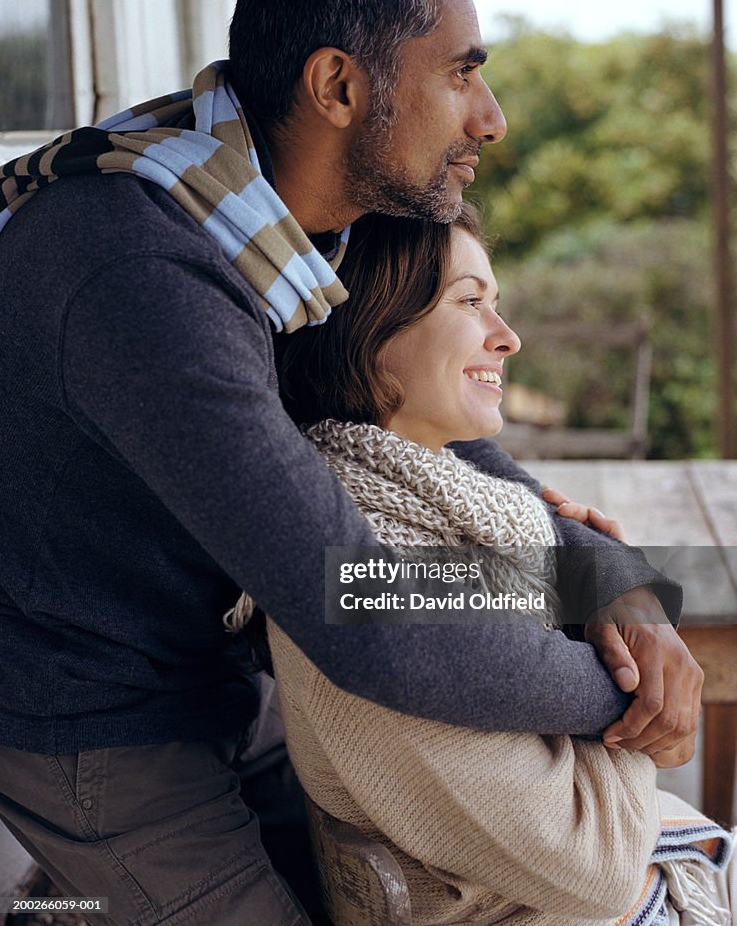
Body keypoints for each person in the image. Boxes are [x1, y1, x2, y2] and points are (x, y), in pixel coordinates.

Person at [0, 0, 701, 926]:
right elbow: (362, 599)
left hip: (219, 676)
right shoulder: (147, 268)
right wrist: (624, 692)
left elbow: (414, 495)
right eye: (461, 74)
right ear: (338, 88)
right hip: (95, 724)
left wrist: (607, 585)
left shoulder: (274, 210)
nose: (491, 117)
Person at [269, 205, 734, 925]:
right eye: (469, 301)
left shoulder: (449, 512)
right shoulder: (360, 570)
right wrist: (627, 684)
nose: (507, 337)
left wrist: (593, 580)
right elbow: (598, 867)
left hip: (665, 869)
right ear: (371, 327)